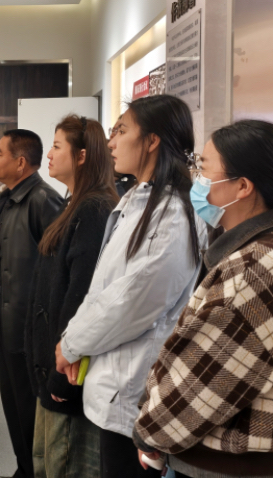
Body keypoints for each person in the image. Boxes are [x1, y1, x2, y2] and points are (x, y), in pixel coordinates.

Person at [54, 95, 208, 478]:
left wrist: (72, 343)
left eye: (121, 131)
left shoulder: (172, 215)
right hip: (115, 381)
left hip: (135, 390)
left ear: (152, 140)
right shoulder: (139, 200)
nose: (111, 142)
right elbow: (105, 290)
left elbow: (131, 302)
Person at [133, 120, 273, 478]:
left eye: (204, 168)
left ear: (243, 186)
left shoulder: (250, 272)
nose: (197, 179)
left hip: (224, 463)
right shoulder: (251, 253)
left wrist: (149, 433)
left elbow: (201, 384)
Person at [25, 116, 119, 478]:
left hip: (67, 373)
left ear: (81, 156)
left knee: (62, 465)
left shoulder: (94, 210)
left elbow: (82, 300)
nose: (49, 155)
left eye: (56, 146)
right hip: (54, 366)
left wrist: (64, 377)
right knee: (46, 463)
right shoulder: (76, 204)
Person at [0, 129, 65, 478]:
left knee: (28, 404)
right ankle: (23, 468)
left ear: (20, 162)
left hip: (26, 322)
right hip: (4, 316)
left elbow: (58, 268)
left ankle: (33, 471)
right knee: (12, 400)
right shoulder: (8, 198)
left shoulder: (43, 200)